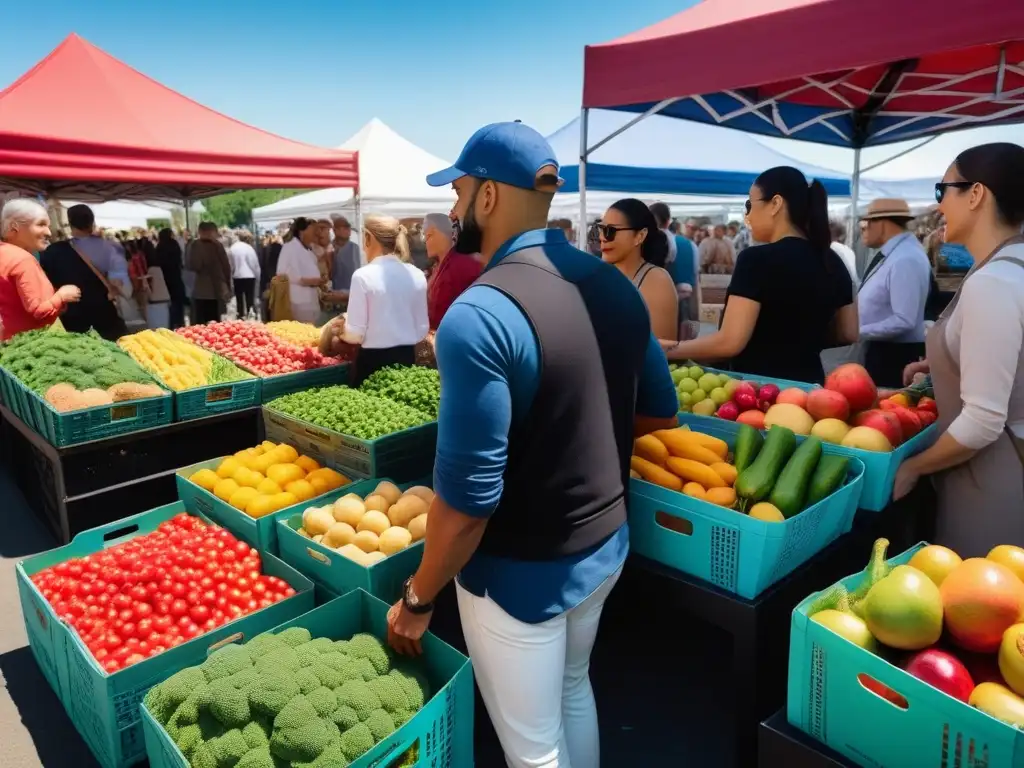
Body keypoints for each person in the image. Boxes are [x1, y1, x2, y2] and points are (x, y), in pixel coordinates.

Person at [386, 121, 679, 768]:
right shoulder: (619, 288)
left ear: (489, 197)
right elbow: (659, 414)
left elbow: (467, 505)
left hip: (516, 573)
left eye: (460, 192)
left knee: (533, 746)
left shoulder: (479, 314)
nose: (455, 208)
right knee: (574, 689)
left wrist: (417, 598)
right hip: (604, 545)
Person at [894, 143, 1024, 555]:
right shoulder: (1007, 266)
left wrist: (913, 466)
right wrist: (939, 370)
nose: (938, 208)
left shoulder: (993, 282)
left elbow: (984, 419)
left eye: (942, 191)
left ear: (975, 194)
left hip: (992, 479)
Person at [663, 166, 859, 384]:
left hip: (759, 392)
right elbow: (848, 333)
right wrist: (799, 340)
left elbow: (729, 343)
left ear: (775, 204)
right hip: (811, 388)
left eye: (749, 205)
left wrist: (667, 349)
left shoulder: (756, 259)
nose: (747, 215)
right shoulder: (833, 261)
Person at [328, 215, 428, 385]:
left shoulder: (362, 276)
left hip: (373, 365)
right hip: (407, 360)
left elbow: (354, 335)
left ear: (368, 238)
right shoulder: (417, 274)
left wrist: (341, 330)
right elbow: (422, 330)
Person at [858, 198, 932, 387]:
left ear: (881, 223)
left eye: (866, 224)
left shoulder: (905, 258)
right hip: (884, 351)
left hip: (894, 358)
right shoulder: (896, 254)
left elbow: (904, 319)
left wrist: (858, 331)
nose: (863, 230)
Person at [40, 204, 129, 341]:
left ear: (70, 223)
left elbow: (46, 284)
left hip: (73, 318)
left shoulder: (53, 251)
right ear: (92, 223)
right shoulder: (109, 247)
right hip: (105, 315)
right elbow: (120, 282)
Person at [0, 199, 80, 340]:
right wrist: (62, 295)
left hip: (9, 342)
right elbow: (40, 311)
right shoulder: (22, 260)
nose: (48, 232)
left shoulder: (5, 253)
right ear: (14, 227)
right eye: (41, 224)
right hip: (33, 344)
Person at [599, 199, 679, 340]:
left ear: (640, 236)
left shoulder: (657, 281)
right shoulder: (598, 274)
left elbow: (663, 350)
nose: (603, 238)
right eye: (600, 229)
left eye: (611, 231)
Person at [423, 212, 481, 332]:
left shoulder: (464, 266)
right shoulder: (440, 265)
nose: (425, 242)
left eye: (426, 236)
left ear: (434, 233)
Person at [276, 218, 323, 324]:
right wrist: (307, 281)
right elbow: (282, 273)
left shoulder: (308, 249)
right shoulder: (290, 247)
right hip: (298, 300)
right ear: (302, 231)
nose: (316, 233)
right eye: (313, 230)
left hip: (311, 299)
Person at [186, 221, 233, 324]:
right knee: (214, 324)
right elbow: (226, 268)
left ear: (200, 231)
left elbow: (192, 266)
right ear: (213, 232)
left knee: (198, 324)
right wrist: (227, 286)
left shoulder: (194, 245)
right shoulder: (217, 246)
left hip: (199, 291)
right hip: (215, 291)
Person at [156, 228, 187, 329]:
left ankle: (170, 324)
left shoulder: (159, 247)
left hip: (164, 278)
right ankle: (179, 323)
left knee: (169, 304)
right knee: (178, 303)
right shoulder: (174, 244)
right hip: (176, 277)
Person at [229, 231, 261, 319]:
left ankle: (240, 315)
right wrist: (257, 275)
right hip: (250, 275)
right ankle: (250, 313)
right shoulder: (249, 248)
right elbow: (254, 263)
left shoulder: (233, 248)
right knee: (249, 297)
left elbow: (231, 265)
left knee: (239, 298)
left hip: (237, 276)